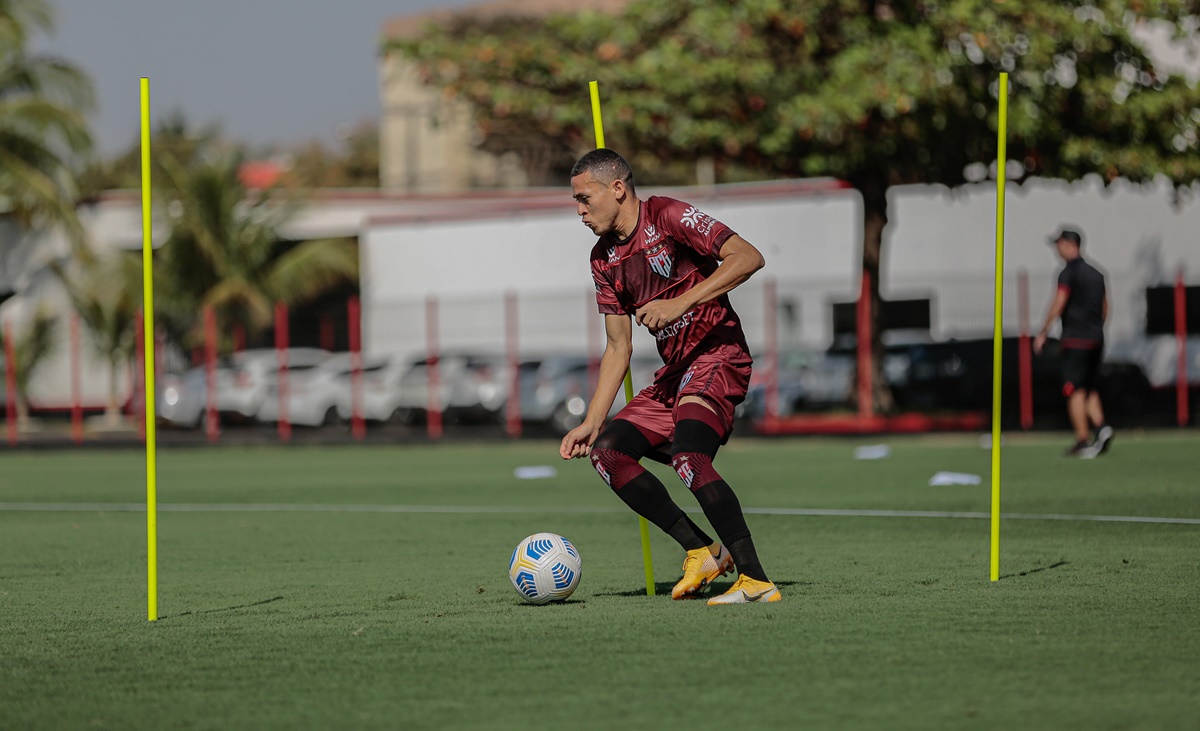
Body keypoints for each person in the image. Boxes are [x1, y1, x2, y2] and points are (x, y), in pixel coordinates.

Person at [558, 149, 779, 605]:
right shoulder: (603, 259)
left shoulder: (669, 215)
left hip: (718, 356)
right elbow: (618, 347)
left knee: (689, 458)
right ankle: (702, 551)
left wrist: (680, 303)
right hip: (675, 374)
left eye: (585, 198)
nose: (579, 211)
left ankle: (756, 581)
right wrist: (594, 420)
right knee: (609, 455)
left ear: (617, 189)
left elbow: (748, 257)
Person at [1034, 228, 1114, 458]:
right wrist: (1096, 328)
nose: (1056, 249)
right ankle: (1101, 427)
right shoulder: (1097, 273)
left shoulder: (1068, 273)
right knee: (1089, 387)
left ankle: (1082, 440)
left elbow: (1059, 301)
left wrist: (1043, 331)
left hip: (1075, 340)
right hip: (1096, 338)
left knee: (1073, 390)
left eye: (1059, 244)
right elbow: (1105, 306)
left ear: (1070, 244)